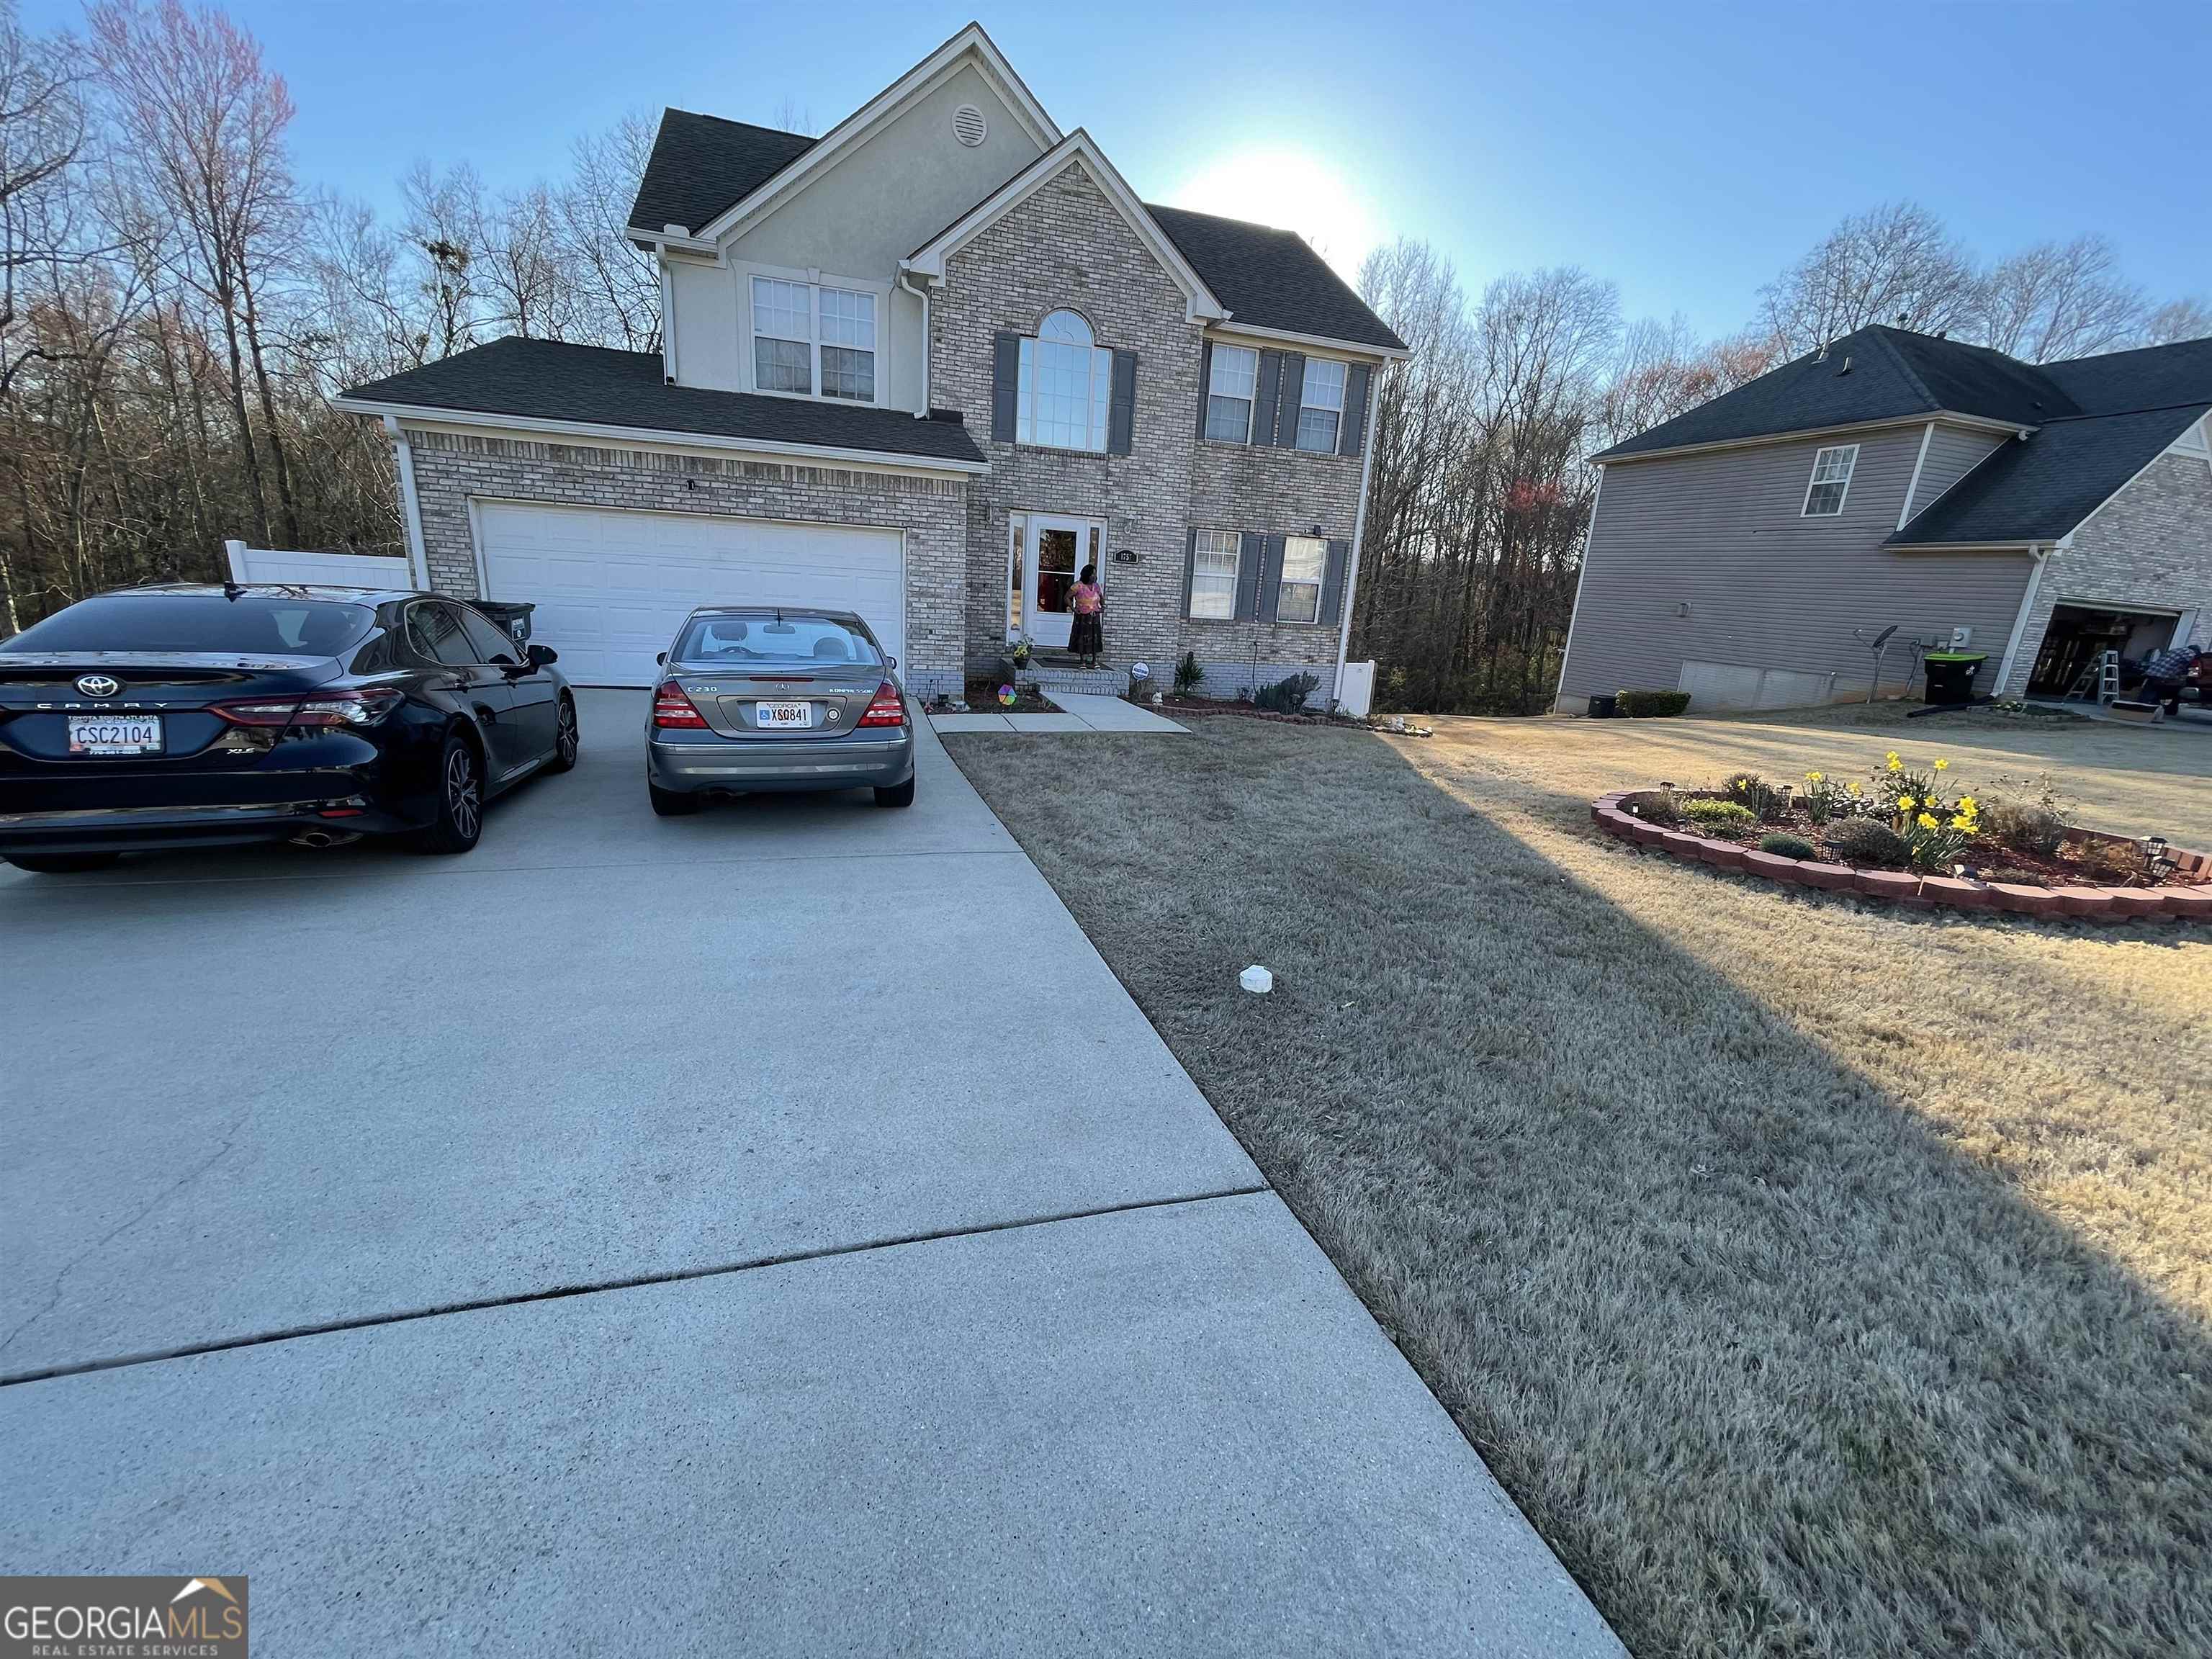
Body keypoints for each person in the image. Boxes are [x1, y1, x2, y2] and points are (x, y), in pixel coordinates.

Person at [2140, 641, 2201, 716]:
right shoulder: (2190, 653)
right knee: (2177, 690)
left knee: (2148, 691)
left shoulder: (2175, 650)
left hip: (2152, 672)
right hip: (2164, 675)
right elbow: (2195, 663)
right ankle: (2168, 710)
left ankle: (2141, 706)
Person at [1068, 564, 1104, 668]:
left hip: (1094, 616)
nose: (1095, 576)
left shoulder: (1096, 586)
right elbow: (1067, 597)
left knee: (1095, 638)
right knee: (1083, 638)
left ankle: (1094, 661)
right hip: (1083, 616)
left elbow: (1101, 597)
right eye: (1093, 574)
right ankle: (1082, 661)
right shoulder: (1078, 586)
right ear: (1088, 574)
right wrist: (1074, 609)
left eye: (1095, 574)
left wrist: (1103, 607)